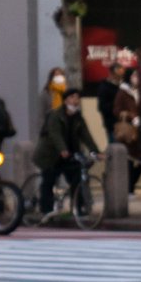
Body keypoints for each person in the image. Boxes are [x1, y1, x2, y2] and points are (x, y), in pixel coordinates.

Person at [32, 87, 99, 220]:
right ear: (66, 100)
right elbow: (55, 134)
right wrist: (62, 149)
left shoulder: (78, 117)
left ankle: (78, 208)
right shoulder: (55, 115)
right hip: (50, 155)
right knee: (49, 180)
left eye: (77, 98)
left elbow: (86, 135)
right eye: (73, 97)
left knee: (76, 177)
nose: (76, 101)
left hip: (69, 154)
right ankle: (46, 210)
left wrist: (95, 151)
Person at [111, 66, 141, 193]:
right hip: (129, 131)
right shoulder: (123, 92)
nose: (136, 78)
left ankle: (130, 185)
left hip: (140, 130)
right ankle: (128, 188)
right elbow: (116, 110)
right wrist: (131, 115)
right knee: (130, 160)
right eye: (134, 76)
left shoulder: (140, 91)